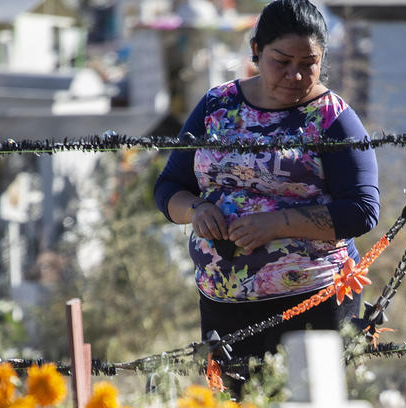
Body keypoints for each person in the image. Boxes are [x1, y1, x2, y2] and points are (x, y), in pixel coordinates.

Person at [154, 0, 379, 360]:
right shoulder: (216, 107)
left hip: (314, 305)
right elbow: (168, 188)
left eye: (309, 64)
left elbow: (361, 211)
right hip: (223, 305)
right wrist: (196, 210)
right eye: (282, 62)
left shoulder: (333, 119)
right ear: (256, 50)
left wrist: (275, 224)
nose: (296, 76)